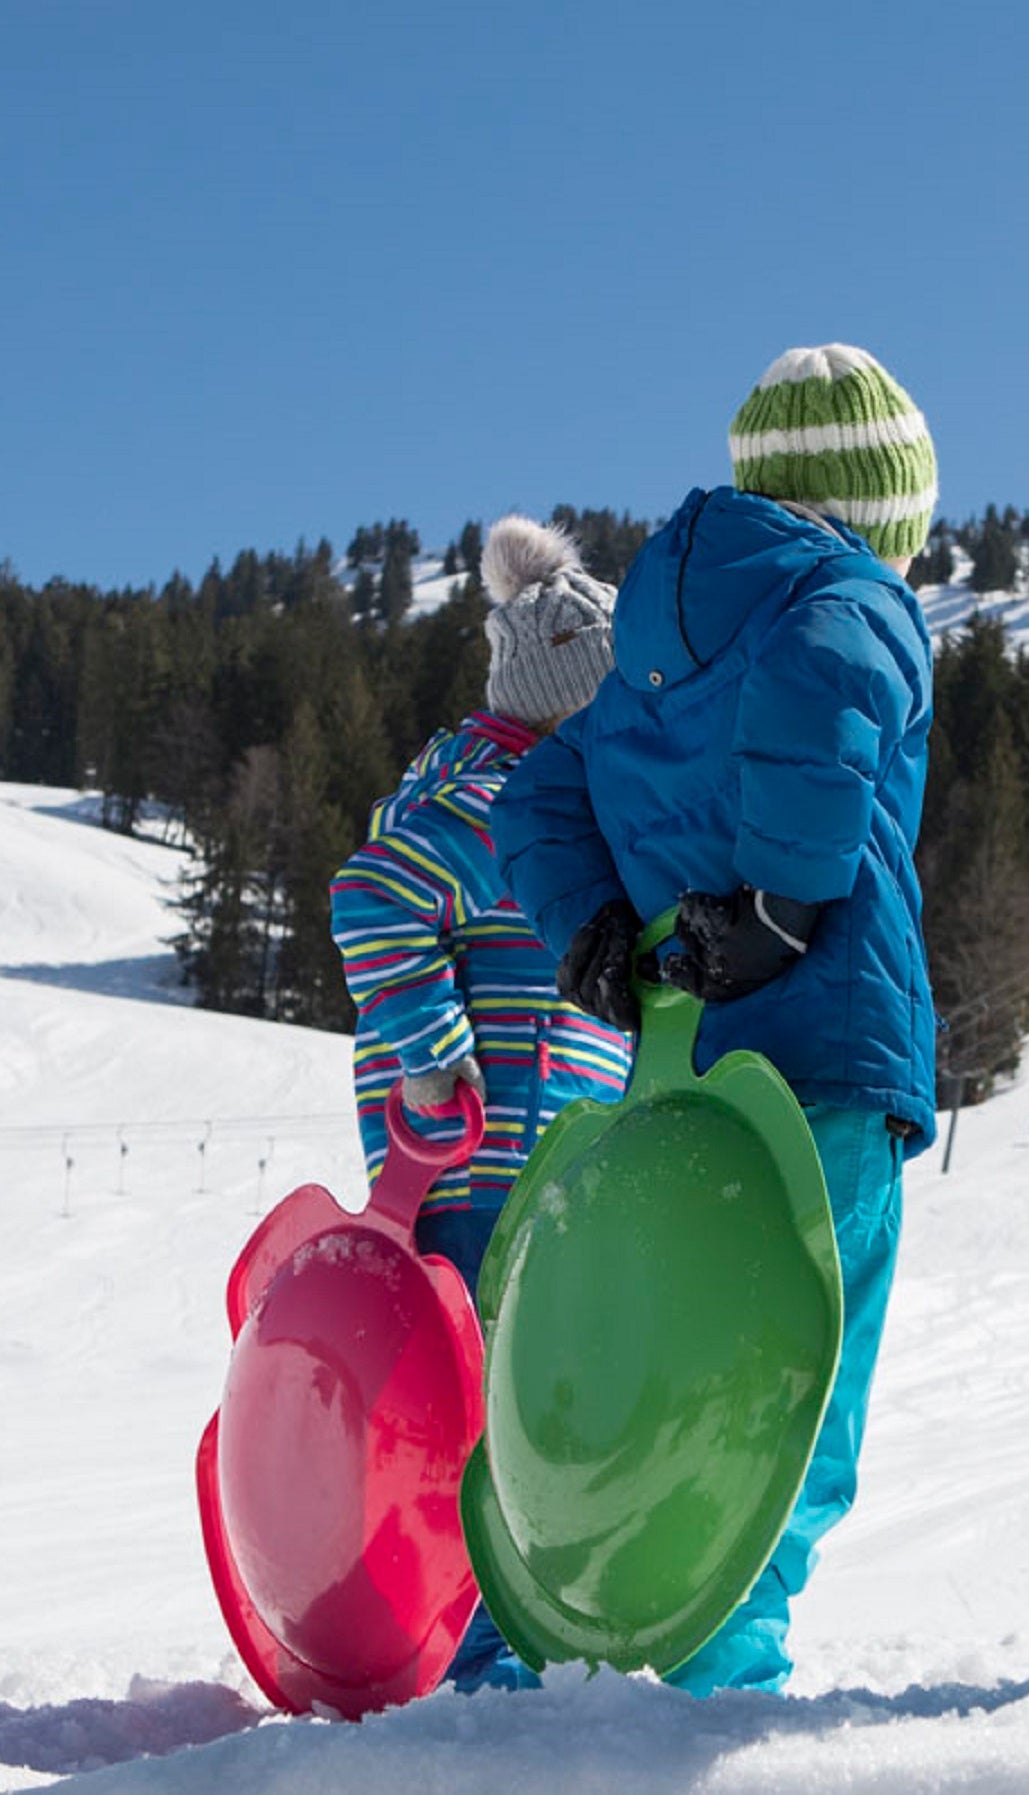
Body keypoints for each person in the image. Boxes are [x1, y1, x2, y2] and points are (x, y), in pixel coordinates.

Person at [493, 343, 938, 1694]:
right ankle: (721, 1660)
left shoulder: (649, 654)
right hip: (829, 1051)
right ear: (879, 510)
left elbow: (532, 799)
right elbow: (819, 678)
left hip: (683, 1077)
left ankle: (622, 1633)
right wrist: (789, 900)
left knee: (680, 1349)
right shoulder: (841, 596)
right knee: (803, 1379)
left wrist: (591, 938)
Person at [330, 513, 633, 1691]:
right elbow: (370, 897)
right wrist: (433, 1051)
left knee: (523, 1393)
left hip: (530, 1163)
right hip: (476, 1164)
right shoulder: (499, 791)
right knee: (486, 1408)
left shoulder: (529, 785)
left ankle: (498, 1635)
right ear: (567, 697)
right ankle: (478, 1648)